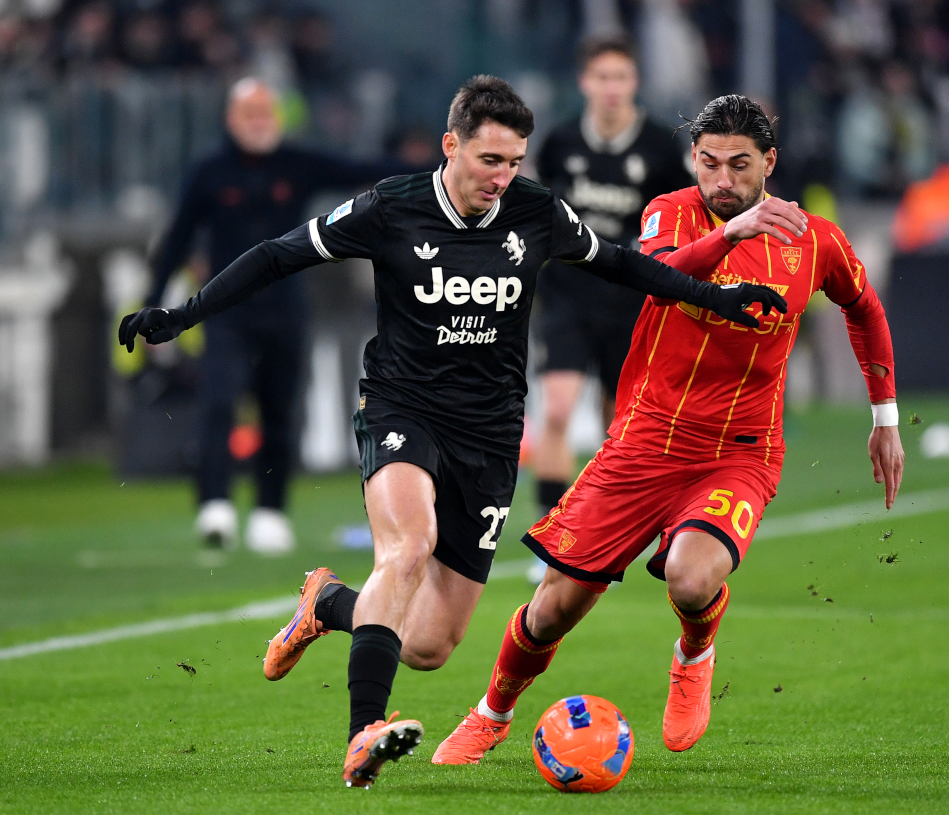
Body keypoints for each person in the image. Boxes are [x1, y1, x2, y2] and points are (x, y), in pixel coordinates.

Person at [118, 77, 785, 788]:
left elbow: (622, 265)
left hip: (492, 433)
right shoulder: (390, 208)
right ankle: (362, 732)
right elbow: (280, 252)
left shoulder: (536, 213)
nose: (501, 178)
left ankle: (327, 603)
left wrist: (718, 294)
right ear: (451, 146)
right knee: (409, 546)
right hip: (402, 407)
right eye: (489, 160)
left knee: (431, 644)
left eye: (513, 162)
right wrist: (179, 314)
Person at [432, 95, 904, 763]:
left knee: (689, 575)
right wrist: (731, 235)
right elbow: (657, 280)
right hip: (643, 443)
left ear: (769, 162)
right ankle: (492, 712)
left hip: (738, 452)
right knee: (552, 609)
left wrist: (884, 416)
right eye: (709, 163)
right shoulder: (669, 213)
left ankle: (694, 653)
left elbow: (864, 307)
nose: (723, 180)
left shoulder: (814, 239)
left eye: (740, 166)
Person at [144, 78, 402, 555]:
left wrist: (442, 166)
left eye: (267, 114)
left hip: (285, 310)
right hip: (225, 312)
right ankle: (214, 503)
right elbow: (177, 239)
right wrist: (153, 303)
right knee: (219, 402)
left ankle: (270, 511)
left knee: (280, 411)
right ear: (231, 119)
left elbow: (362, 170)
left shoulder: (298, 163)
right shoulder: (209, 172)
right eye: (250, 114)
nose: (260, 123)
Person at [529, 34, 692, 584]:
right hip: (569, 295)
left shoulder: (659, 149)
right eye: (602, 77)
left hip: (631, 303)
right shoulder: (559, 141)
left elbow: (684, 214)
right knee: (554, 410)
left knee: (617, 426)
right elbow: (537, 208)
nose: (611, 88)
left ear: (634, 83)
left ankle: (600, 533)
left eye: (621, 77)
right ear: (585, 83)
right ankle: (549, 537)